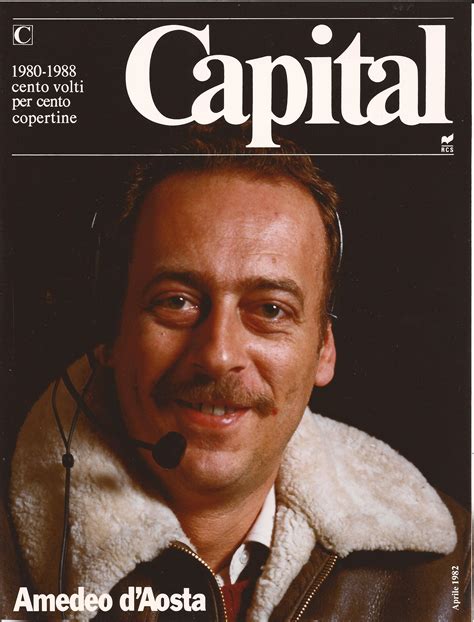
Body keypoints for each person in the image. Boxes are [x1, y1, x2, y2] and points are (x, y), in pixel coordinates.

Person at [5, 126, 470, 621]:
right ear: (112, 333)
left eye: (270, 309)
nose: (218, 354)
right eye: (177, 301)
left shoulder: (447, 573)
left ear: (323, 351)